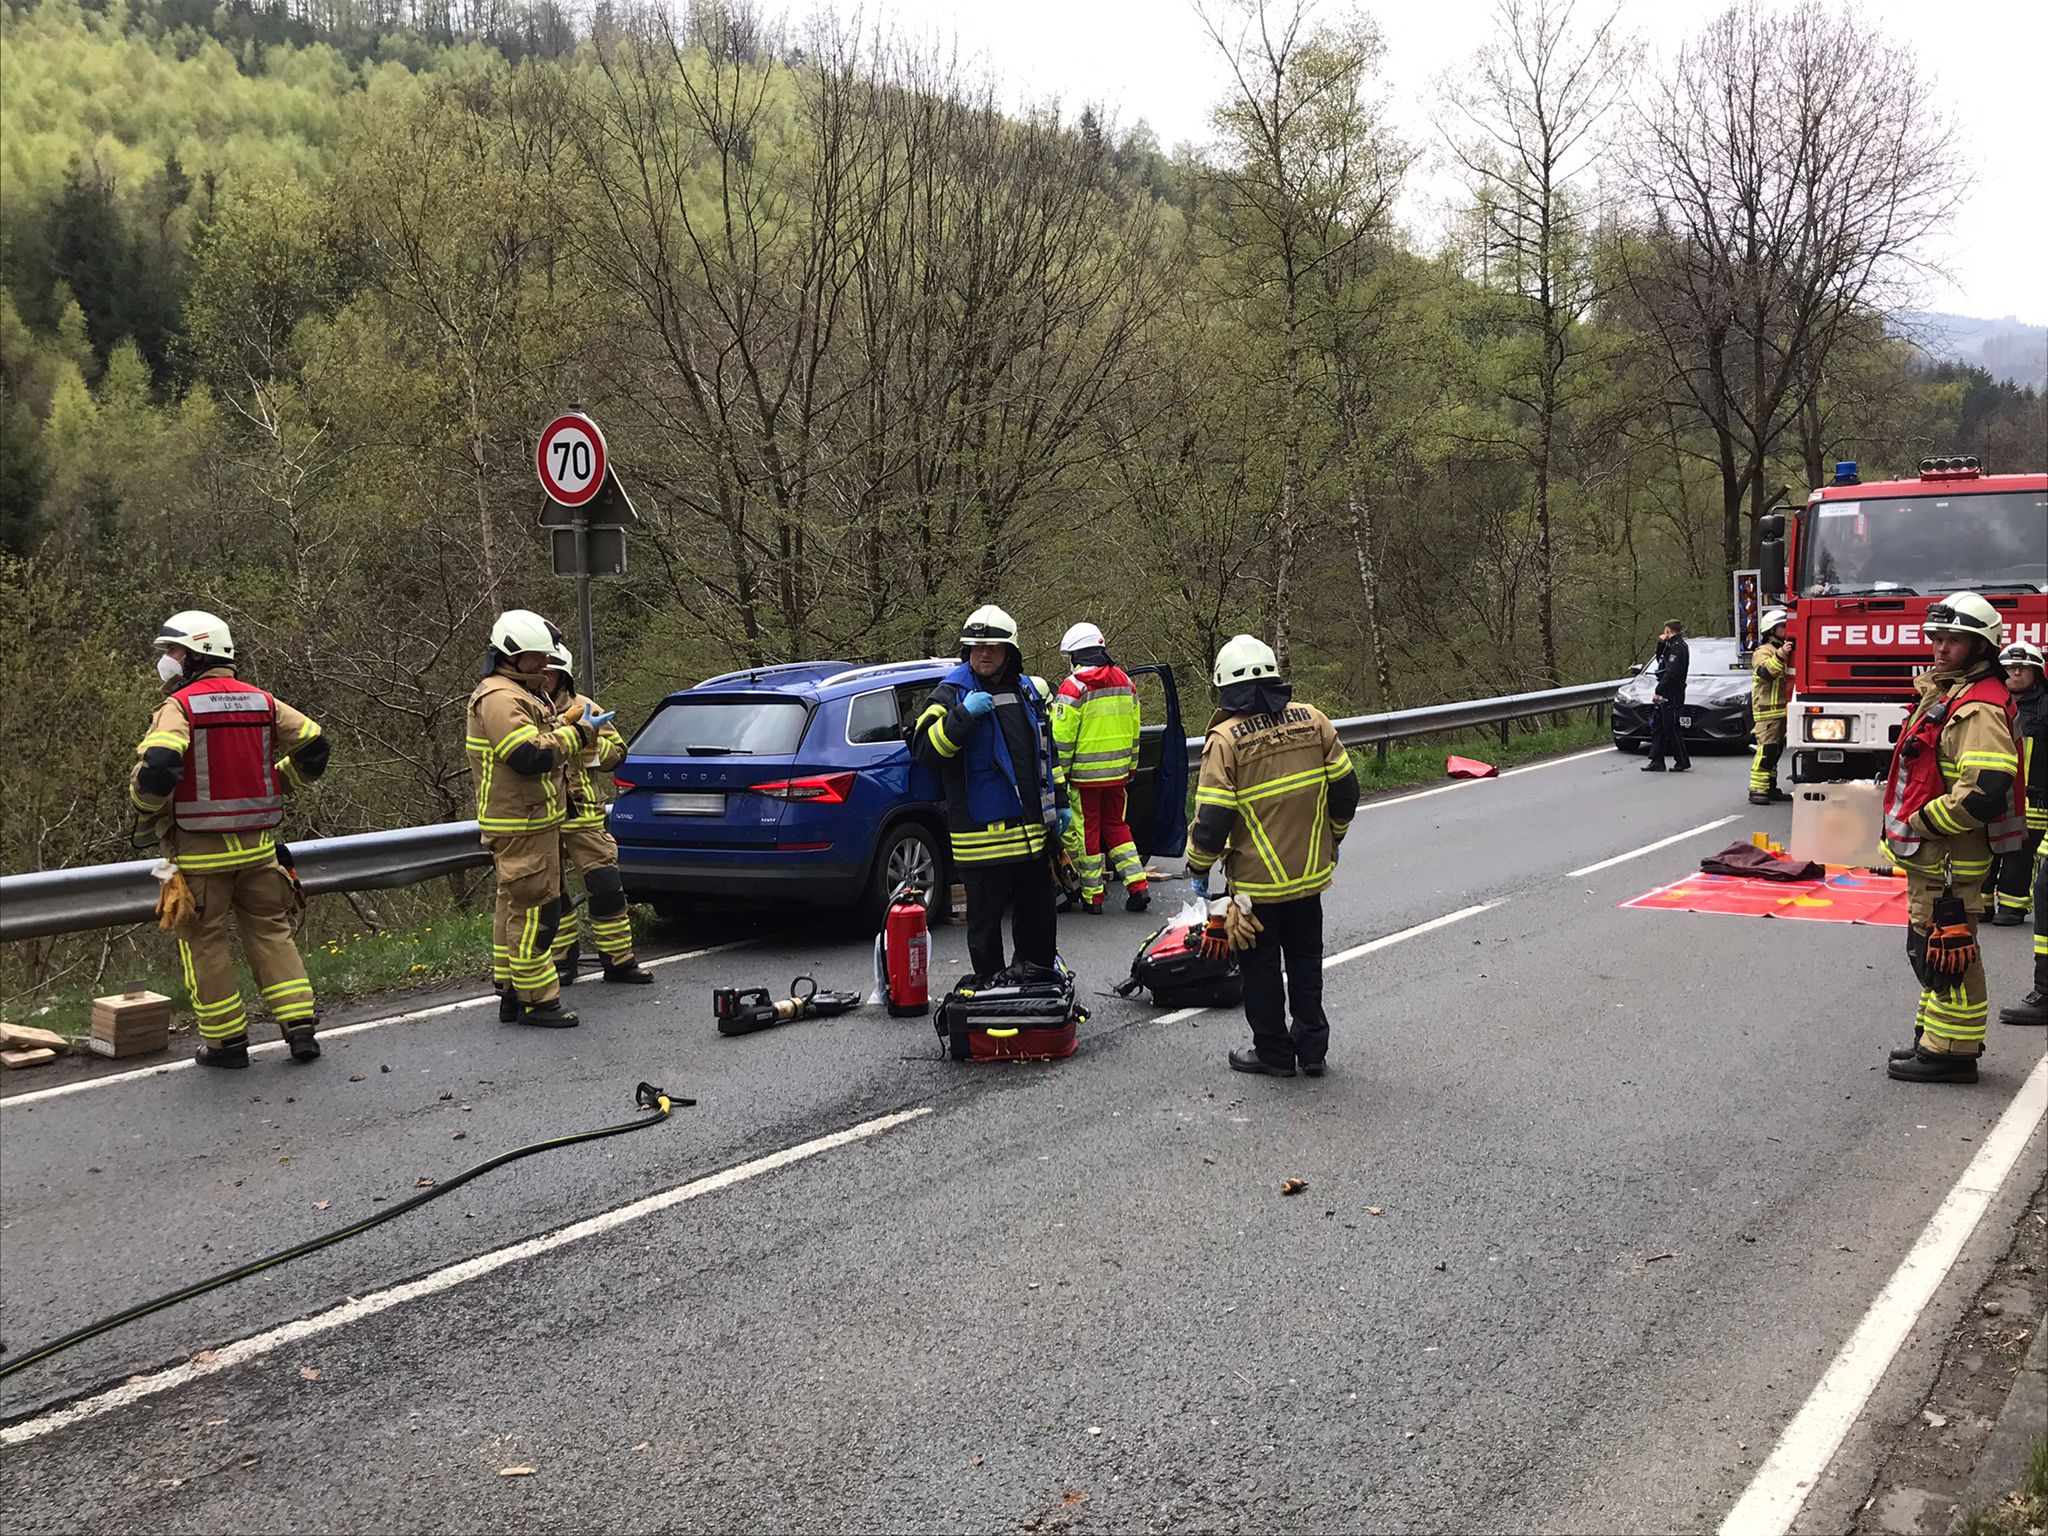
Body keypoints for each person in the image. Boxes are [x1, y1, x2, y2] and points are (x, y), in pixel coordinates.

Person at [129, 610, 331, 1068]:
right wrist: (278, 783)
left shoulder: (179, 707)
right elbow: (316, 746)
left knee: (205, 943)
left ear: (198, 654)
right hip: (260, 850)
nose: (168, 661)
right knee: (272, 932)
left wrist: (144, 808)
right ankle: (300, 1029)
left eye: (174, 651)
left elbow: (159, 766)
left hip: (201, 858)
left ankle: (226, 1045)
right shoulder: (263, 701)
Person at [1185, 635, 1360, 1078]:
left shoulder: (1225, 739)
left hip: (1256, 889)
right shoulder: (1314, 720)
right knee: (1306, 964)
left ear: (1224, 686)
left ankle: (1274, 1054)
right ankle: (1313, 1050)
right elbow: (1346, 791)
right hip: (1309, 876)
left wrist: (1198, 867)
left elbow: (1213, 818)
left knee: (1260, 972)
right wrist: (1333, 839)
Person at [1881, 592, 2027, 1084]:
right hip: (1937, 858)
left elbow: (1984, 792)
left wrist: (1922, 823)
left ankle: (1953, 1055)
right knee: (1930, 951)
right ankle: (1934, 1039)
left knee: (1950, 955)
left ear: (1981, 646)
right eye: (1937, 638)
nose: (1941, 649)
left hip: (1950, 858)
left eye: (1954, 641)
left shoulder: (1978, 708)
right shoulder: (1951, 695)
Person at [911, 604, 1068, 984]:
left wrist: (1060, 804)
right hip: (980, 840)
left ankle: (1036, 982)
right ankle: (991, 992)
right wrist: (961, 716)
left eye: (993, 647)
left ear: (1009, 652)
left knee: (1038, 917)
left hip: (1030, 835)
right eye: (976, 647)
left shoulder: (1028, 690)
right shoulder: (951, 692)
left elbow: (1047, 754)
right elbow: (924, 749)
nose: (983, 654)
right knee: (985, 925)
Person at [466, 609, 594, 1029]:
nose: (545, 664)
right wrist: (576, 735)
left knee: (514, 908)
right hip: (521, 822)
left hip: (531, 820)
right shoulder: (501, 698)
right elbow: (527, 755)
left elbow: (540, 734)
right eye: (536, 657)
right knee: (537, 913)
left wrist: (569, 722)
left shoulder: (522, 691)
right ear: (509, 654)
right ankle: (539, 1001)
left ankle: (510, 993)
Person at [542, 644, 652, 986]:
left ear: (564, 675)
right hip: (543, 816)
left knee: (606, 888)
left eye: (551, 673)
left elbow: (618, 754)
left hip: (585, 814)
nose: (544, 678)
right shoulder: (525, 707)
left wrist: (592, 745)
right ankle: (562, 962)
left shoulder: (584, 707)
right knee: (552, 895)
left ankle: (619, 962)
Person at [1050, 621, 1150, 916]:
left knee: (1088, 832)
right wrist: (1131, 768)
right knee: (1118, 826)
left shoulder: (1073, 687)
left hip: (1084, 777)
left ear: (1075, 656)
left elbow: (1062, 740)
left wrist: (1061, 775)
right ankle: (1138, 885)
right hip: (1118, 774)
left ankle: (1093, 896)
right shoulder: (1125, 682)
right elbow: (1135, 731)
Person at [1987, 641, 2046, 927]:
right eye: (2009, 668)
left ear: (2037, 672)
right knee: (1985, 849)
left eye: (2022, 668)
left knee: (2020, 854)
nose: (2015, 673)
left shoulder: (2045, 706)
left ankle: (2012, 906)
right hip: (1992, 792)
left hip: (2033, 797)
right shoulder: (1989, 702)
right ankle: (1982, 903)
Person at [1748, 608, 1795, 805]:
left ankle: (1770, 786)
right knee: (1766, 751)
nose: (1787, 629)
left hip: (1780, 710)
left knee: (1775, 752)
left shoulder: (1784, 648)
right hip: (1767, 710)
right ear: (1771, 630)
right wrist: (1781, 655)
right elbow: (1765, 673)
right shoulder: (1763, 651)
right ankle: (1757, 789)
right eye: (1783, 626)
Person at [1643, 619, 1692, 773]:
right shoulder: (1670, 645)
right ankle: (1657, 761)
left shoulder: (1678, 647)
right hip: (1667, 691)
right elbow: (1660, 661)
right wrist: (1660, 644)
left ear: (1667, 631)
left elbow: (1672, 672)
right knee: (1657, 725)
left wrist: (1659, 690)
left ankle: (1682, 761)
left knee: (1671, 727)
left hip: (1673, 692)